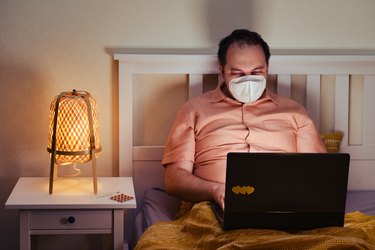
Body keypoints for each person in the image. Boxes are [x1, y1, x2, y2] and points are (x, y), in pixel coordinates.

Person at [162, 29, 326, 212]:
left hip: (283, 208)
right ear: (221, 71)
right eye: (238, 73)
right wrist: (215, 191)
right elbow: (174, 179)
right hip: (213, 208)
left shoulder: (296, 113)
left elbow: (318, 174)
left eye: (257, 72)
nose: (248, 80)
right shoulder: (193, 111)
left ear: (267, 69)